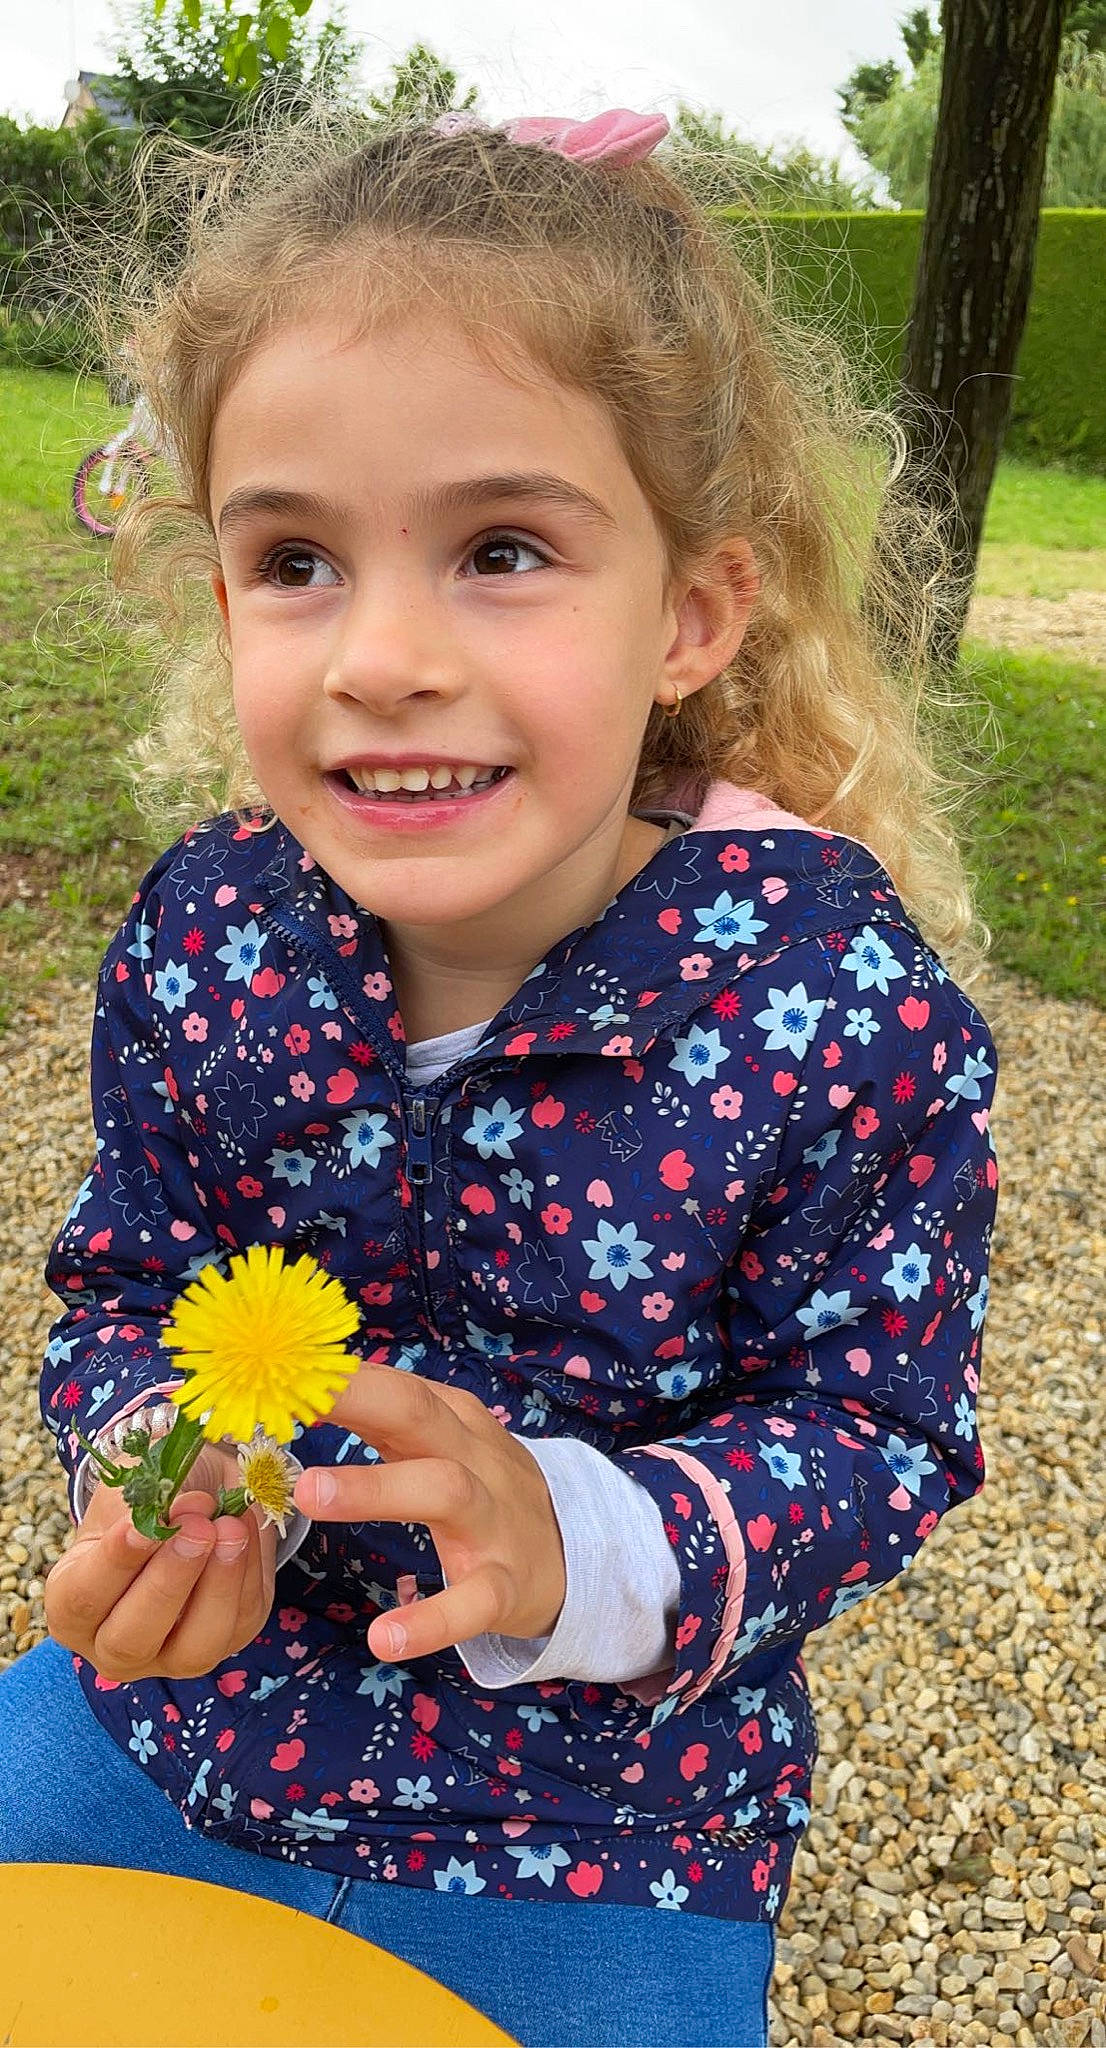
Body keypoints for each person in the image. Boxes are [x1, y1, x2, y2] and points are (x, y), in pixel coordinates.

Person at [0, 106, 1000, 2048]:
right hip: (157, 1739)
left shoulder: (822, 1001)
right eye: (296, 557)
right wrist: (167, 1475)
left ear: (691, 613)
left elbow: (876, 1424)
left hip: (604, 1829)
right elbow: (132, 1278)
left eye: (503, 549)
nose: (382, 653)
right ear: (221, 592)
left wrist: (579, 1534)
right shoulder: (214, 929)